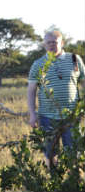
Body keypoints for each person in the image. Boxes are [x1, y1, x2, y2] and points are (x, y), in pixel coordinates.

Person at [27, 30, 85, 167]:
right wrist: (32, 114)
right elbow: (31, 91)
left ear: (62, 43)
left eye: (55, 42)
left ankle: (74, 182)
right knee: (50, 153)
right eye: (48, 42)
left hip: (71, 116)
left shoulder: (75, 59)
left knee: (73, 152)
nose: (52, 45)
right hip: (47, 117)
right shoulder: (38, 64)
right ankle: (54, 180)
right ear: (44, 45)